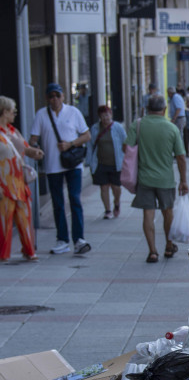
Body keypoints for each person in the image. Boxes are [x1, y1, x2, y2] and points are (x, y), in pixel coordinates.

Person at [28, 82, 91, 255]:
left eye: (57, 95)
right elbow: (33, 138)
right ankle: (62, 239)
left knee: (75, 199)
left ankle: (79, 239)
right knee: (57, 203)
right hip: (52, 166)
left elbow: (86, 135)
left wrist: (70, 143)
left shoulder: (73, 112)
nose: (54, 99)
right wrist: (33, 148)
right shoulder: (41, 114)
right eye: (51, 96)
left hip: (73, 164)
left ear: (63, 96)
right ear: (47, 98)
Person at [126, 94, 188, 263]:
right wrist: (183, 180)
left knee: (148, 213)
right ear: (165, 109)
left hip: (144, 178)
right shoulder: (171, 128)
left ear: (147, 108)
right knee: (167, 212)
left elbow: (128, 147)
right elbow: (181, 157)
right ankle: (169, 245)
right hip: (165, 179)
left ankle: (152, 251)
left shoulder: (138, 125)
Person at [0, 96, 41, 262]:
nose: (15, 114)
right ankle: (3, 255)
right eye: (12, 111)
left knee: (25, 218)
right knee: (4, 221)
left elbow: (25, 148)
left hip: (19, 183)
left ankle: (29, 251)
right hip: (4, 184)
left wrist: (34, 153)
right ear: (3, 112)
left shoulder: (12, 131)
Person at [86, 105, 127, 220]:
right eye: (103, 116)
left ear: (111, 115)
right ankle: (108, 210)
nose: (105, 118)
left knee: (116, 187)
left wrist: (127, 159)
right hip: (100, 163)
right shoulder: (95, 128)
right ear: (99, 117)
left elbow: (126, 143)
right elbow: (90, 145)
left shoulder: (118, 127)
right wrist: (89, 161)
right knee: (103, 187)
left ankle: (117, 202)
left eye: (107, 115)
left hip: (116, 163)